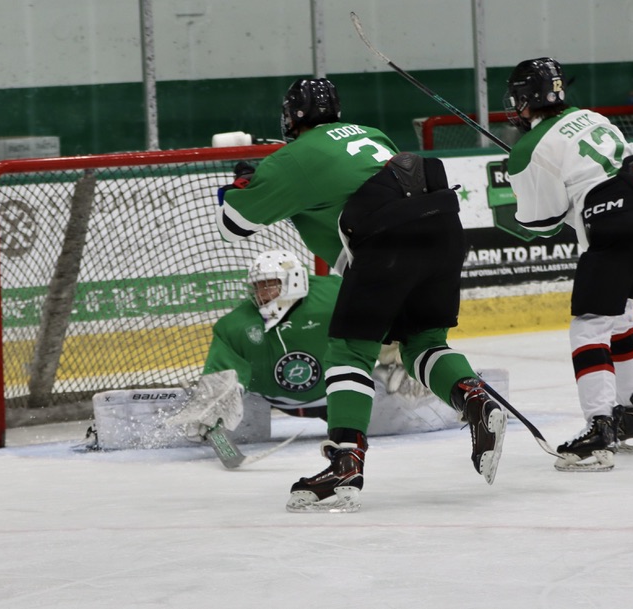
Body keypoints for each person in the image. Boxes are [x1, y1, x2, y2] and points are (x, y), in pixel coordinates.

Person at [216, 78, 506, 512]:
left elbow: (233, 225)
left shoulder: (291, 158)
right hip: (443, 232)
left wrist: (243, 181)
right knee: (422, 344)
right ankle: (475, 398)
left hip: (386, 245)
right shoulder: (371, 133)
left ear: (290, 117)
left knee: (349, 351)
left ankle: (344, 464)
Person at [503, 57, 633, 471]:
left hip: (617, 221)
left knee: (589, 326)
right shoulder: (590, 117)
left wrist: (536, 186)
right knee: (620, 319)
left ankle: (600, 430)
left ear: (524, 99)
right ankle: (631, 417)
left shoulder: (528, 148)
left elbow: (541, 223)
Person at [198, 249, 470, 439]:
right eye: (258, 287)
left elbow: (386, 314)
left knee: (386, 386)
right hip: (273, 400)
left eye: (269, 285)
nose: (262, 294)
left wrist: (398, 357)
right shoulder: (236, 325)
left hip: (342, 396)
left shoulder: (334, 297)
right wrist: (214, 399)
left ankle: (458, 398)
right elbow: (224, 364)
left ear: (293, 281)